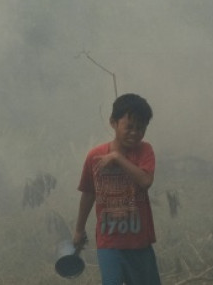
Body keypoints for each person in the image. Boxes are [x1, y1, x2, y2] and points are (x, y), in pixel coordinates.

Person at [73, 93, 161, 285]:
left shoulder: (145, 151)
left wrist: (118, 159)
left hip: (139, 243)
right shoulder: (95, 157)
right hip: (109, 242)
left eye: (140, 128)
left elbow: (145, 181)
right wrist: (79, 229)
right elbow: (88, 194)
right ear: (113, 122)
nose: (134, 133)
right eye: (129, 127)